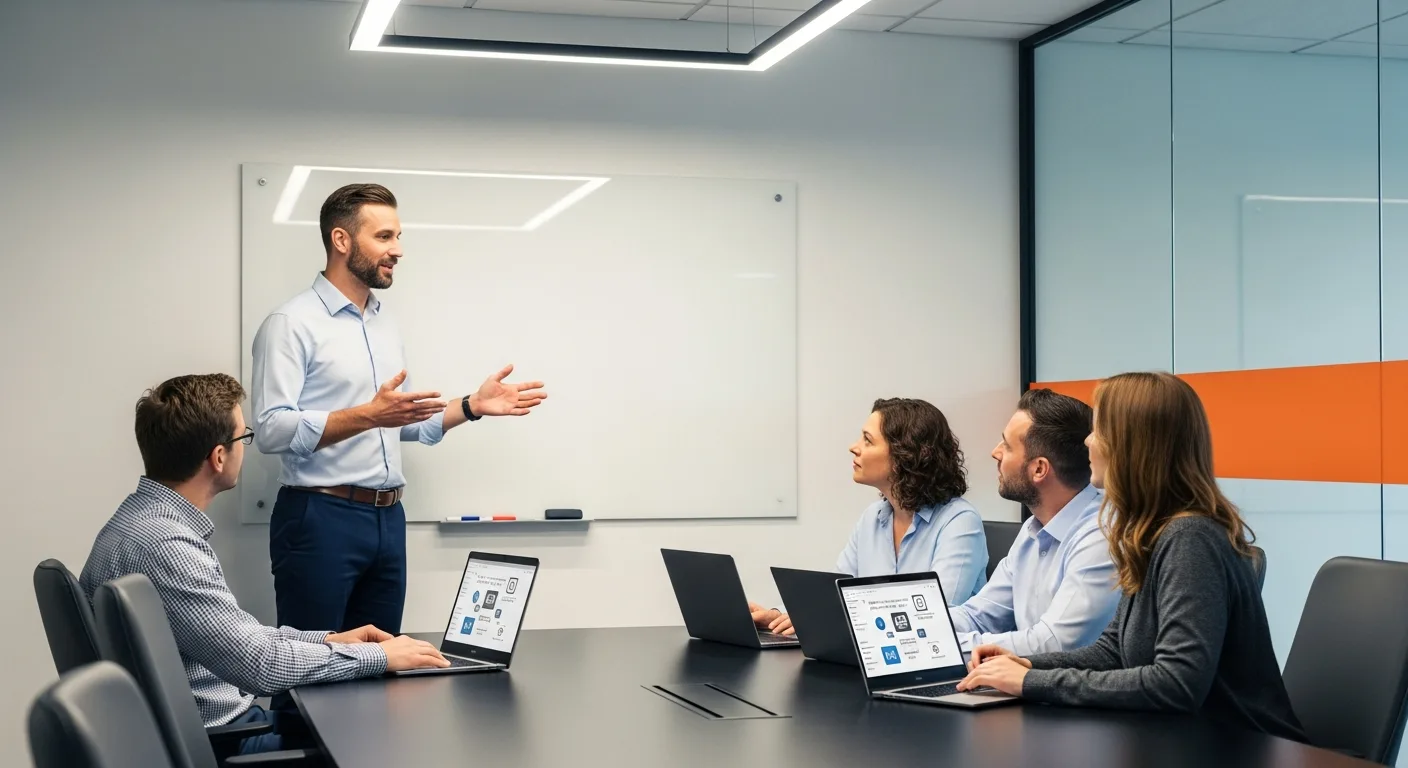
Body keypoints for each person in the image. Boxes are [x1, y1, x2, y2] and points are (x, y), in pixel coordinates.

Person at [80, 374, 451, 755]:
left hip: (200, 732)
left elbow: (243, 637)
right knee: (392, 741)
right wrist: (379, 657)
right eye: (244, 437)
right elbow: (259, 666)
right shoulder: (167, 546)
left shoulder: (136, 521)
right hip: (219, 743)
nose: (246, 448)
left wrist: (328, 640)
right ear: (219, 457)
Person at [251, 183, 547, 637]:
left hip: (388, 519)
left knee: (378, 668)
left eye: (398, 236)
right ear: (342, 240)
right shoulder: (291, 324)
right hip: (320, 518)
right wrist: (370, 414)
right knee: (309, 667)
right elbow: (270, 430)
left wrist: (470, 406)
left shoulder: (383, 322)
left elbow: (396, 422)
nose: (398, 250)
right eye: (385, 237)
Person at [958, 372, 1306, 742]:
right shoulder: (1151, 533)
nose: (1088, 440)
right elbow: (1113, 650)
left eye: (1100, 430)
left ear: (1132, 446)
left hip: (1238, 747)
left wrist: (1032, 681)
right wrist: (1025, 663)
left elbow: (1176, 683)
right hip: (1181, 742)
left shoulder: (1190, 538)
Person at [755, 398, 987, 635]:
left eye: (867, 440)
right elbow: (836, 593)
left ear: (904, 455)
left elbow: (936, 613)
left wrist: (827, 617)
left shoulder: (960, 521)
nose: (854, 447)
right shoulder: (872, 518)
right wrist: (784, 615)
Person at [948, 388, 1119, 655]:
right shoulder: (1034, 529)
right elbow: (979, 616)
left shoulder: (1101, 534)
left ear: (1039, 469)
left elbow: (1055, 643)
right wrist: (920, 629)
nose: (996, 453)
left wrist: (939, 648)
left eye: (1006, 445)